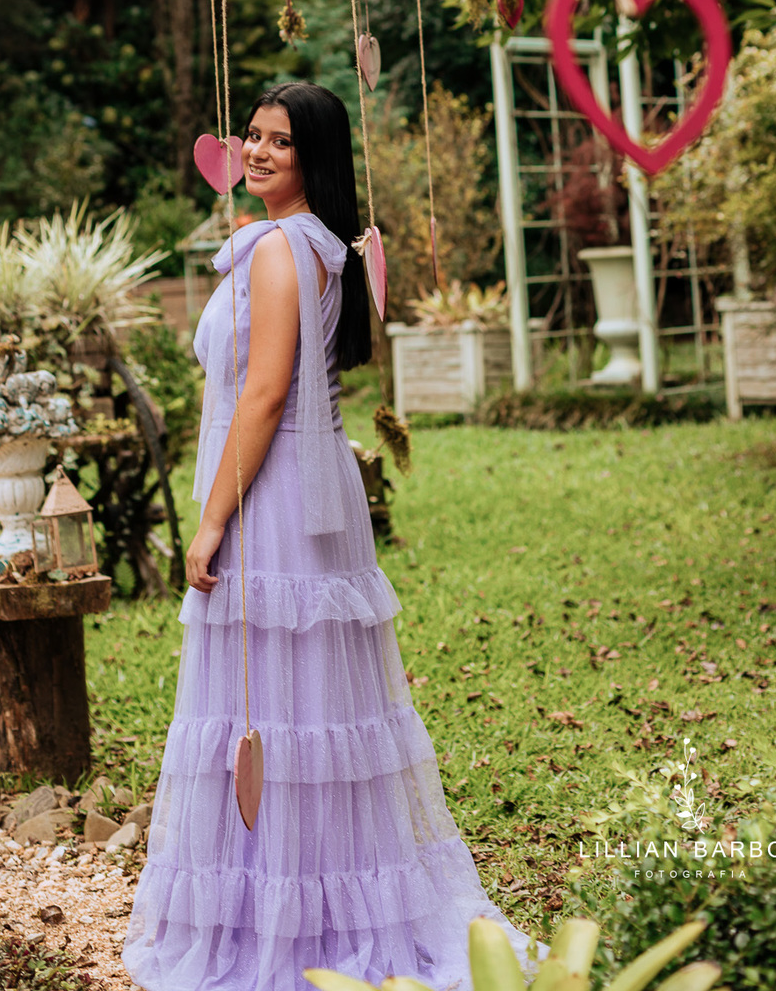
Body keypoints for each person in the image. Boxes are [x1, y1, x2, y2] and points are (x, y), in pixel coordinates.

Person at [123, 83, 543, 991]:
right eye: (252, 135)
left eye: (280, 141)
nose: (258, 151)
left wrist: (211, 520)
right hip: (302, 491)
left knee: (280, 706)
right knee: (300, 706)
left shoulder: (284, 249)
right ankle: (300, 902)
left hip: (272, 497)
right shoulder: (308, 245)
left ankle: (289, 925)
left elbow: (265, 394)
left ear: (314, 157)